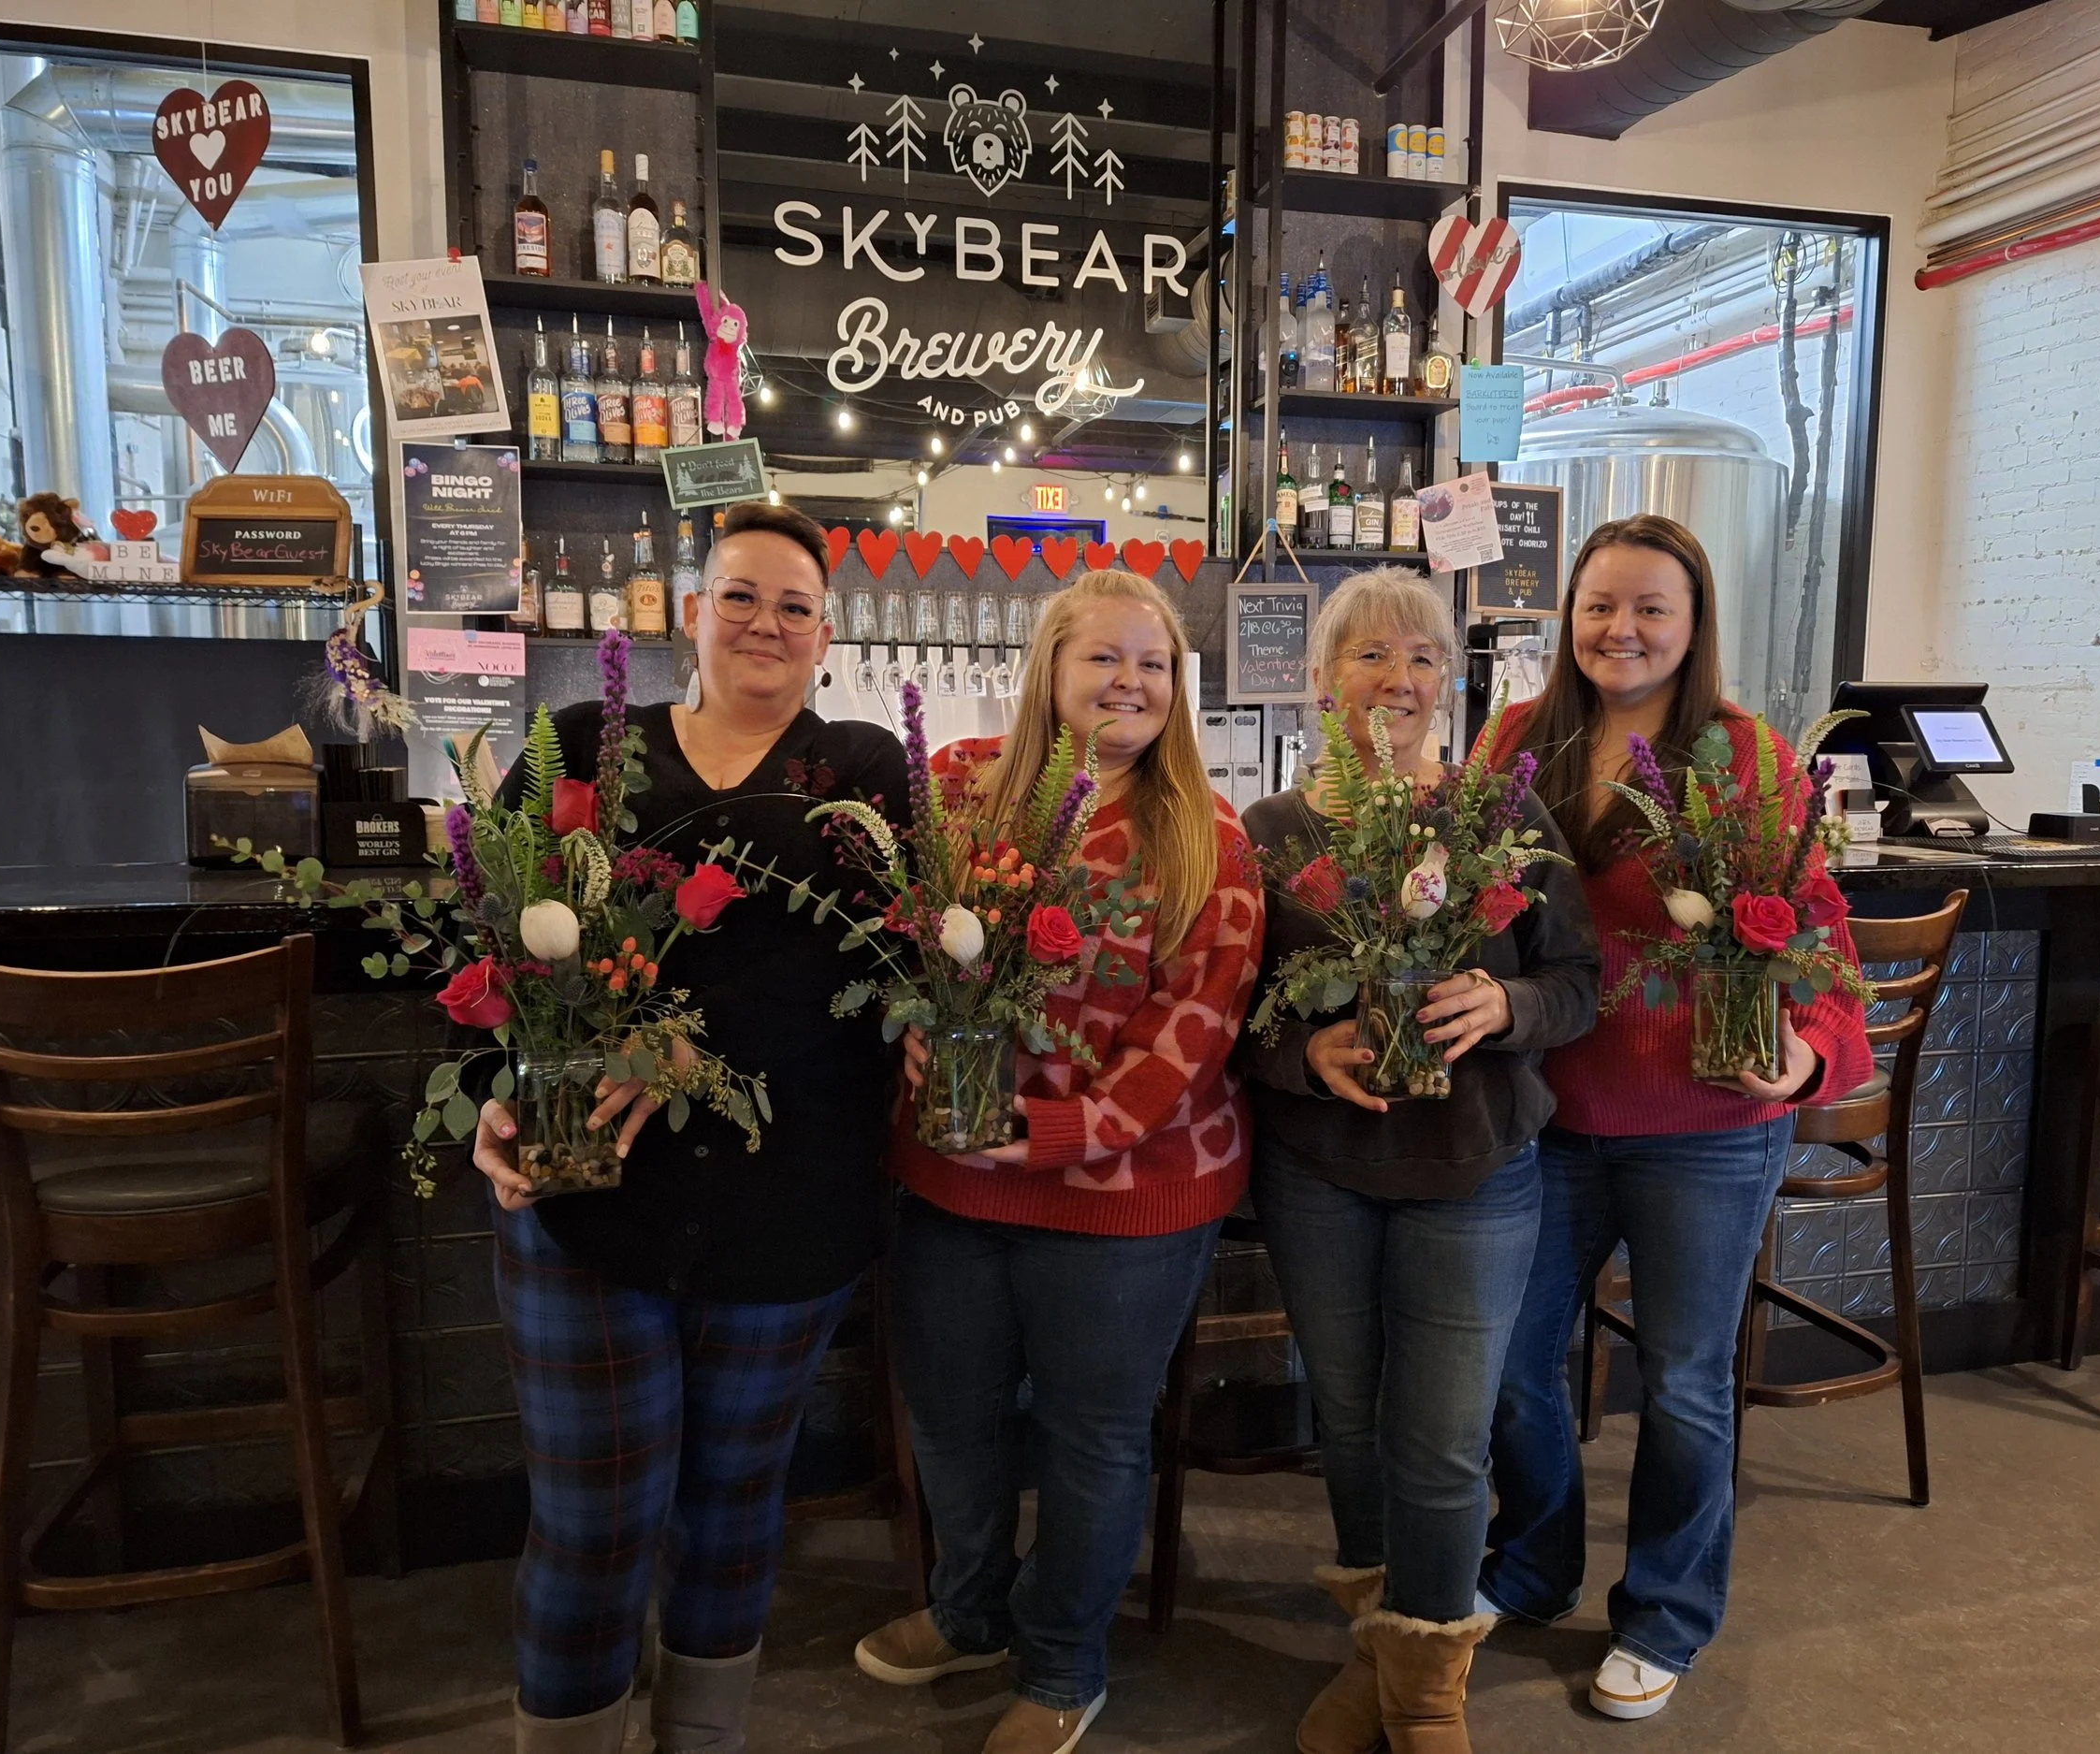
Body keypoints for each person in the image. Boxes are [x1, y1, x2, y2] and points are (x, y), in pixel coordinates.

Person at [471, 500, 910, 1754]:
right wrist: (498, 1092)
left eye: (793, 603)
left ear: (827, 633)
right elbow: (495, 940)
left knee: (732, 1509)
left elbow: (880, 986)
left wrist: (688, 1047)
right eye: (739, 594)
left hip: (789, 1200)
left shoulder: (864, 773)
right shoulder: (577, 744)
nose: (765, 621)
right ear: (687, 612)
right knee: (595, 1517)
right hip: (589, 1191)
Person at [853, 569, 1265, 1754]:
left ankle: (1064, 1662)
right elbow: (890, 949)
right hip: (951, 1179)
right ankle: (969, 1608)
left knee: (1092, 1436)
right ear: (1049, 669)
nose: (1129, 682)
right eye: (1104, 658)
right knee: (951, 1412)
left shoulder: (1208, 836)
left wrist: (1054, 1134)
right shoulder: (956, 791)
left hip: (1130, 1199)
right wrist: (926, 1040)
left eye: (1154, 664)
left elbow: (1191, 1035)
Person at [1478, 515, 1870, 1721]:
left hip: (1701, 1124)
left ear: (1693, 626)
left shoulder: (1747, 755)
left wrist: (1807, 1059)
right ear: (1567, 619)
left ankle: (1665, 1615)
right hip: (1542, 1111)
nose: (1622, 629)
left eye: (1652, 607)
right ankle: (1533, 1566)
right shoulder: (1514, 741)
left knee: (1690, 1380)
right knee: (1507, 1362)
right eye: (1600, 606)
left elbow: (1816, 938)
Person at [1241, 567, 1600, 1754]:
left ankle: (1428, 1685)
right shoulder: (1273, 834)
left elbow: (1579, 985)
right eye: (1369, 658)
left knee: (1441, 1439)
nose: (1398, 681)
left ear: (1452, 682)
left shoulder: (1504, 816)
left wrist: (1503, 1006)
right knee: (1346, 1422)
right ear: (1319, 679)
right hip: (1320, 1174)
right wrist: (1306, 1051)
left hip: (1474, 1169)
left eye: (1422, 660)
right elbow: (1236, 1018)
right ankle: (1378, 1660)